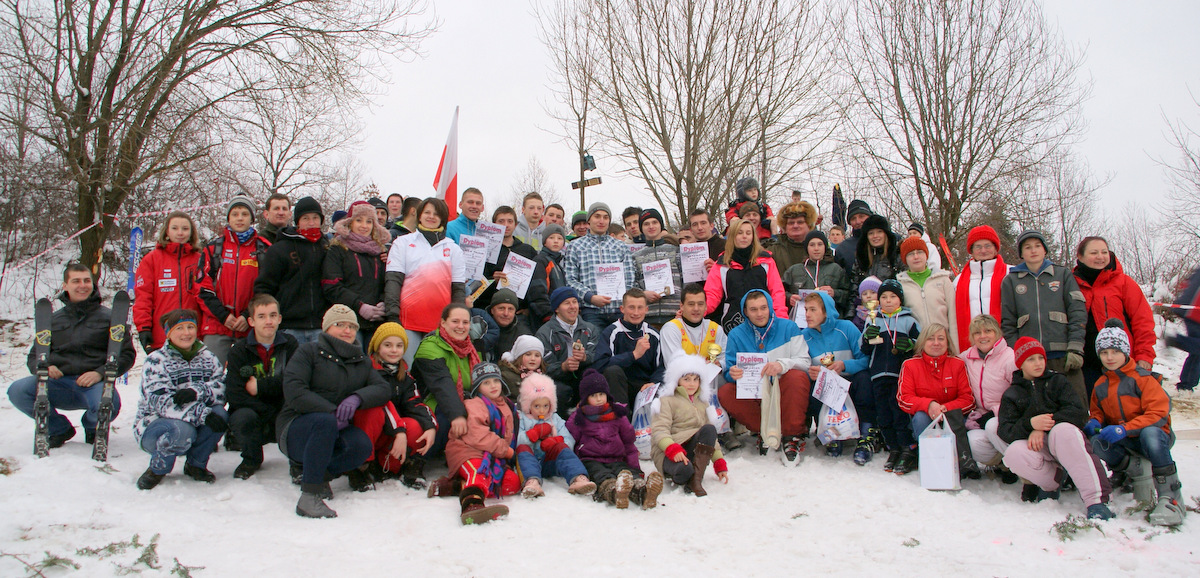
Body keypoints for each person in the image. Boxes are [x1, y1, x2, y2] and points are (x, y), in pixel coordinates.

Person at [277, 304, 392, 518]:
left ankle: (320, 475)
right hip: (297, 429)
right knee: (324, 422)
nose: (346, 330)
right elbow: (294, 391)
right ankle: (309, 496)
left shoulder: (361, 361)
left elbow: (383, 388)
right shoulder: (308, 352)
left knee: (361, 445)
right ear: (327, 327)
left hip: (334, 431)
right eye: (339, 325)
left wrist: (357, 398)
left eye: (351, 326)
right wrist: (330, 411)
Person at [7, 264, 136, 448]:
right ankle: (59, 429)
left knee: (109, 403)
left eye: (86, 281)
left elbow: (126, 354)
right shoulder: (53, 320)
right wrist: (45, 367)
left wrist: (100, 373)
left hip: (94, 385)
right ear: (65, 285)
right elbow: (34, 356)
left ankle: (93, 426)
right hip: (58, 383)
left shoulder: (110, 318)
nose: (82, 285)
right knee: (18, 390)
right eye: (76, 281)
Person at [998, 336, 1115, 520]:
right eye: (1031, 359)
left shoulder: (1057, 381)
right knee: (1013, 452)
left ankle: (1096, 500)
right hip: (1040, 449)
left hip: (1063, 441)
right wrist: (1030, 425)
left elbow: (1077, 411)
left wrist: (1043, 426)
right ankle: (1051, 485)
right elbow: (1005, 429)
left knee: (1064, 432)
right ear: (1020, 363)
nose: (1038, 363)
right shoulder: (1012, 393)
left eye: (1041, 358)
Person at [1087, 320, 1183, 526]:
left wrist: (1124, 428)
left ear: (1125, 351)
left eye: (1114, 351)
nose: (1109, 357)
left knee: (1150, 434)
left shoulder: (1143, 379)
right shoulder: (1101, 385)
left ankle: (1171, 497)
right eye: (1104, 353)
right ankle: (1130, 469)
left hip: (1153, 438)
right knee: (1096, 441)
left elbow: (1159, 412)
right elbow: (1098, 411)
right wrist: (1094, 420)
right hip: (1126, 442)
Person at [133, 309, 227, 490]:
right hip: (155, 425)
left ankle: (196, 464)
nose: (186, 333)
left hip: (196, 420)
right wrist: (201, 413)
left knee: (220, 415)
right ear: (168, 333)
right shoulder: (156, 360)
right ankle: (158, 468)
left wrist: (197, 391)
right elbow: (161, 402)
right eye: (179, 328)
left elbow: (221, 389)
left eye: (191, 327)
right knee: (182, 429)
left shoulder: (209, 358)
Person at [718, 290, 812, 465]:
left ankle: (790, 435)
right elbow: (730, 367)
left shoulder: (788, 327)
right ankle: (766, 431)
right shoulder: (736, 335)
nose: (759, 314)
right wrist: (733, 374)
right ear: (745, 311)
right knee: (726, 392)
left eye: (763, 308)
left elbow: (804, 361)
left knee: (797, 377)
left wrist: (781, 365)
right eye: (753, 309)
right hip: (756, 392)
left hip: (782, 390)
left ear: (770, 307)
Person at [1001, 229, 1088, 403]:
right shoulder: (1011, 281)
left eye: (1037, 246)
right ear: (1021, 253)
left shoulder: (1062, 274)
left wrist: (1075, 348)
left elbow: (1077, 313)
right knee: (1038, 408)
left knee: (1074, 405)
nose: (1033, 250)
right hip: (1030, 359)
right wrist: (1018, 353)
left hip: (1063, 356)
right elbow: (1008, 322)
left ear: (1045, 250)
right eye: (1027, 247)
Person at [350, 322, 437, 490]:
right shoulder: (367, 371)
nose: (393, 350)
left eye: (399, 345)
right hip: (370, 433)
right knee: (372, 412)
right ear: (377, 347)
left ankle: (392, 466)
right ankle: (360, 467)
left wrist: (431, 426)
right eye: (387, 345)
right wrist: (399, 430)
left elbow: (416, 404)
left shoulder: (405, 376)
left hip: (392, 433)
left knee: (416, 425)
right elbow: (381, 402)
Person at [564, 369, 664, 509]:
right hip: (590, 460)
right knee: (601, 476)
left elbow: (629, 443)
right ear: (585, 398)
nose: (599, 399)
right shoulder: (579, 417)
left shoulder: (617, 413)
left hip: (616, 459)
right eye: (593, 395)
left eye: (601, 394)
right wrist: (573, 469)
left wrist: (635, 467)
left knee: (627, 473)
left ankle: (644, 492)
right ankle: (614, 493)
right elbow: (568, 441)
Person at [385, 197, 467, 365]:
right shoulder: (403, 242)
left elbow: (458, 290)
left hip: (441, 325)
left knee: (434, 373)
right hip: (407, 322)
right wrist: (392, 316)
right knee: (409, 371)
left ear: (443, 218)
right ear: (419, 215)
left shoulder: (453, 249)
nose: (431, 217)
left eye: (436, 214)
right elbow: (393, 282)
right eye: (427, 212)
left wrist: (457, 321)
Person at [225, 294, 298, 480]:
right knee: (243, 417)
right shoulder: (238, 351)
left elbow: (295, 383)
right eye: (262, 316)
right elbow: (234, 393)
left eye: (273, 315)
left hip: (283, 408)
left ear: (280, 319)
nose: (268, 321)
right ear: (251, 321)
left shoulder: (290, 344)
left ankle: (298, 462)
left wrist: (260, 386)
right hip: (253, 410)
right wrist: (265, 408)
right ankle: (251, 458)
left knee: (302, 413)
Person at [1073, 236, 1156, 393]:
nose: (1100, 257)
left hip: (1122, 363)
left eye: (1104, 252)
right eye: (1094, 252)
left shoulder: (1124, 283)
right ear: (1080, 257)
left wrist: (1144, 356)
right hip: (1085, 364)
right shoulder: (1070, 284)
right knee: (1094, 411)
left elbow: (1143, 321)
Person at [897, 323, 980, 479]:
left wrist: (944, 409)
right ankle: (930, 460)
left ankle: (961, 462)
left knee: (957, 419)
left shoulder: (957, 364)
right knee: (921, 417)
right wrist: (929, 405)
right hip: (925, 419)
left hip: (953, 418)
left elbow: (968, 399)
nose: (936, 343)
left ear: (947, 342)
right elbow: (904, 398)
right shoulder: (910, 365)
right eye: (931, 339)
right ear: (922, 342)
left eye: (941, 338)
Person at [802, 291, 878, 460]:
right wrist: (812, 373)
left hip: (851, 383)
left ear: (826, 311)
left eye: (813, 310)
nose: (807, 314)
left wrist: (845, 365)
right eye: (806, 309)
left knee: (864, 378)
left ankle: (866, 433)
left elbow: (866, 359)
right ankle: (831, 434)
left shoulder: (846, 328)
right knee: (807, 387)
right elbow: (803, 366)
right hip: (826, 390)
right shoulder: (804, 336)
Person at [197, 195, 271, 364]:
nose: (239, 218)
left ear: (251, 218)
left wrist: (248, 315)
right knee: (210, 377)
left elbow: (268, 287)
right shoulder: (213, 248)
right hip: (217, 324)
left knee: (247, 378)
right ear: (228, 218)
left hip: (250, 325)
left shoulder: (263, 248)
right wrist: (223, 316)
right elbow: (201, 288)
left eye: (244, 214)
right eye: (235, 213)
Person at [445, 362, 519, 524]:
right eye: (486, 383)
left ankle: (457, 486)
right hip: (466, 450)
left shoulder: (506, 406)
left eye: (496, 381)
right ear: (478, 387)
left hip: (491, 455)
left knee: (511, 483)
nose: (493, 386)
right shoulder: (474, 405)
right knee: (480, 472)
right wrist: (504, 450)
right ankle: (472, 504)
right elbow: (476, 435)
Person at [861, 280, 921, 469]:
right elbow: (864, 349)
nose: (888, 301)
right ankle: (893, 447)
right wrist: (867, 338)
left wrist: (910, 346)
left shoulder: (909, 320)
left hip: (900, 375)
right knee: (883, 412)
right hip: (878, 373)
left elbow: (919, 346)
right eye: (884, 297)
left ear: (900, 300)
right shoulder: (872, 320)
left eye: (893, 297)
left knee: (899, 412)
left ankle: (907, 447)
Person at [253, 196, 329, 345]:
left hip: (322, 326)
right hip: (289, 327)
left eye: (315, 218)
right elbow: (264, 288)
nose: (311, 222)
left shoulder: (329, 248)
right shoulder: (279, 249)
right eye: (306, 218)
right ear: (298, 222)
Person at [652, 355, 729, 496]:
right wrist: (672, 449)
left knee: (709, 429)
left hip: (693, 449)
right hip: (669, 451)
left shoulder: (702, 402)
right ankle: (686, 474)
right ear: (677, 380)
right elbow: (659, 430)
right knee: (684, 471)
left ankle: (696, 480)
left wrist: (719, 462)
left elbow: (711, 439)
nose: (692, 384)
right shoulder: (666, 400)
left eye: (695, 379)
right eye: (686, 379)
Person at [411, 304, 479, 461]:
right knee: (446, 416)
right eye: (455, 321)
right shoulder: (430, 347)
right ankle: (417, 460)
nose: (461, 327)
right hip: (431, 402)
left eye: (465, 322)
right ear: (443, 322)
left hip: (462, 399)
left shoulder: (470, 347)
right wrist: (457, 415)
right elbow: (442, 385)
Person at [514, 373, 596, 498]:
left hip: (549, 461)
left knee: (562, 448)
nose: (542, 410)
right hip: (529, 461)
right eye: (537, 406)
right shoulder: (522, 418)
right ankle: (532, 481)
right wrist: (532, 435)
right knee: (522, 449)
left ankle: (578, 478)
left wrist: (556, 440)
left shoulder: (555, 419)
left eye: (545, 406)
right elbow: (515, 440)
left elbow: (569, 439)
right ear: (528, 405)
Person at [323, 200, 390, 348]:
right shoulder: (338, 249)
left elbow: (386, 283)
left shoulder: (379, 251)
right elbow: (332, 286)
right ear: (350, 223)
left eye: (369, 221)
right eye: (359, 220)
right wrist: (359, 306)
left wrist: (383, 302)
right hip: (348, 322)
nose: (364, 226)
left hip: (376, 322)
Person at [957, 314, 1017, 481]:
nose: (983, 336)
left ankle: (1018, 465)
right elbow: (949, 363)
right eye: (977, 333)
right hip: (981, 415)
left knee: (992, 426)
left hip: (1007, 416)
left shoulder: (1009, 357)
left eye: (988, 331)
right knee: (972, 442)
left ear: (997, 333)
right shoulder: (968, 357)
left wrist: (996, 412)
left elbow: (1020, 392)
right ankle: (1002, 463)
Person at [134, 211, 204, 352]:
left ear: (191, 232)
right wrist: (144, 327)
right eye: (175, 228)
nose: (180, 233)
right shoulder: (151, 260)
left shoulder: (200, 260)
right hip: (162, 336)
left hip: (193, 336)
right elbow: (143, 297)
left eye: (185, 229)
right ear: (167, 231)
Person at [704, 217, 787, 332]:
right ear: (733, 236)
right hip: (733, 322)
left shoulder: (766, 261)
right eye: (740, 233)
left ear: (753, 237)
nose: (744, 236)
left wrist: (781, 319)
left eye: (748, 233)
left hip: (763, 319)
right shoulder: (721, 264)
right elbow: (712, 295)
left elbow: (777, 292)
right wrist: (696, 311)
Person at [563, 202, 636, 328]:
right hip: (591, 310)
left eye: (605, 217)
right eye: (597, 216)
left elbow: (630, 278)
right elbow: (570, 279)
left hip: (618, 309)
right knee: (594, 347)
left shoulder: (621, 247)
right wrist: (590, 297)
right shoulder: (575, 246)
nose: (601, 221)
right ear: (589, 220)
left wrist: (622, 298)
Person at [592, 288, 664, 405]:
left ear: (646, 310)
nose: (636, 313)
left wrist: (654, 382)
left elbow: (662, 366)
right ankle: (621, 419)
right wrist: (633, 355)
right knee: (612, 371)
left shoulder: (654, 334)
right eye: (631, 307)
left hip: (645, 387)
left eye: (640, 308)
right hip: (618, 387)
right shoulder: (612, 332)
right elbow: (600, 365)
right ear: (622, 309)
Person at [536, 287, 599, 415]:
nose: (572, 307)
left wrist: (584, 357)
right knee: (558, 390)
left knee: (596, 379)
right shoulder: (544, 333)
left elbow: (598, 355)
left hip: (583, 376)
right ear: (556, 308)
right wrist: (563, 367)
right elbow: (543, 367)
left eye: (574, 302)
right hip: (559, 381)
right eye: (566, 303)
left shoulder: (590, 329)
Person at [954, 225, 1010, 352]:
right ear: (971, 251)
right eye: (978, 247)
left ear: (996, 249)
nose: (983, 250)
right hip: (972, 344)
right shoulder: (959, 281)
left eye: (988, 246)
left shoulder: (1009, 273)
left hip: (1004, 342)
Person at [896, 235, 957, 342]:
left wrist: (955, 348)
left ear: (926, 255)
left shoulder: (943, 280)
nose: (916, 257)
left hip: (944, 343)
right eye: (911, 254)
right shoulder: (900, 285)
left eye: (919, 252)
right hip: (918, 345)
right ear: (905, 258)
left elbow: (953, 317)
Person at [478, 206, 537, 309]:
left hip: (520, 310)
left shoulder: (528, 251)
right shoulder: (485, 251)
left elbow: (536, 283)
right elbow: (477, 285)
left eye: (510, 221)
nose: (506, 225)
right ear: (494, 224)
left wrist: (528, 308)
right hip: (491, 308)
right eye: (501, 221)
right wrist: (493, 281)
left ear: (516, 225)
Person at [631, 208, 683, 327]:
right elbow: (632, 283)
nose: (651, 226)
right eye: (646, 224)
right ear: (641, 228)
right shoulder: (635, 256)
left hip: (674, 314)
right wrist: (643, 294)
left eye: (655, 222)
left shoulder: (675, 250)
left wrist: (684, 305)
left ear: (661, 225)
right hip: (648, 316)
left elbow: (685, 280)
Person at [782, 230, 851, 316]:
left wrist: (834, 293)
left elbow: (849, 295)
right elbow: (780, 292)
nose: (816, 248)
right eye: (812, 245)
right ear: (806, 248)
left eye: (820, 244)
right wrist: (789, 298)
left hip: (829, 320)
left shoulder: (836, 269)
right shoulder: (794, 270)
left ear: (825, 247)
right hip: (802, 320)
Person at [1165, 265, 1200, 391]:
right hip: (1194, 312)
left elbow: (1186, 283)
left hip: (1188, 308)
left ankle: (1186, 385)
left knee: (1196, 352)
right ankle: (1176, 340)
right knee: (1197, 347)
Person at [527, 224, 568, 328]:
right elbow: (537, 291)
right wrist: (547, 315)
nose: (556, 241)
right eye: (551, 238)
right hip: (545, 319)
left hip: (559, 317)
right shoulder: (541, 261)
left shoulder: (557, 264)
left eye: (559, 238)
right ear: (544, 241)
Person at [765, 201, 819, 277]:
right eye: (791, 223)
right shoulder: (773, 250)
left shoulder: (820, 249)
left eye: (800, 222)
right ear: (784, 227)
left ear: (809, 225)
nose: (795, 226)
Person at [480, 288, 532, 363]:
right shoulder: (480, 327)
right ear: (492, 310)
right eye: (501, 308)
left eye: (510, 309)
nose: (506, 313)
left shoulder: (523, 334)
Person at [850, 214, 900, 288]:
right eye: (871, 233)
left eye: (879, 232)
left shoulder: (897, 256)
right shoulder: (861, 258)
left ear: (886, 234)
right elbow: (854, 288)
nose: (875, 236)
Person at [834, 199, 872, 272]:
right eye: (853, 218)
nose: (858, 221)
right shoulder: (843, 249)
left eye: (861, 216)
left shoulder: (889, 240)